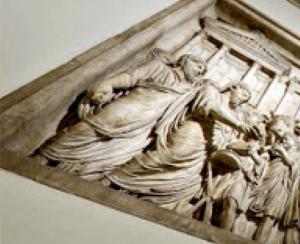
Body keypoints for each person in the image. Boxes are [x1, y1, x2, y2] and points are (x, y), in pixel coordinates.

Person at [35, 51, 207, 180]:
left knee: (119, 153)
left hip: (145, 127)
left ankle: (85, 172)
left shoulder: (188, 91)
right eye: (198, 64)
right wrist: (109, 84)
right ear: (184, 60)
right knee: (87, 128)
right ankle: (44, 155)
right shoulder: (160, 68)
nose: (200, 70)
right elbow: (130, 78)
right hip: (129, 108)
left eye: (202, 70)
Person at [106, 81, 261, 213]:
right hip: (195, 131)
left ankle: (148, 196)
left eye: (245, 100)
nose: (242, 101)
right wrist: (240, 125)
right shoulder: (211, 92)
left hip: (207, 150)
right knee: (171, 155)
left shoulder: (234, 115)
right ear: (233, 87)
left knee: (189, 179)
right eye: (243, 95)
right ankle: (115, 176)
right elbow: (208, 107)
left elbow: (228, 142)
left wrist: (246, 148)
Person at [206, 83, 268, 235]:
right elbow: (230, 145)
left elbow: (261, 164)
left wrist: (252, 154)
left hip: (241, 177)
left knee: (231, 203)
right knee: (210, 200)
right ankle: (205, 222)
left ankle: (224, 234)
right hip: (227, 172)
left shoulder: (262, 151)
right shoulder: (238, 137)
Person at [249, 115, 300, 244]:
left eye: (287, 139)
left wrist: (283, 152)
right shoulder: (275, 153)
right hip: (269, 179)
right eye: (283, 139)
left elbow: (294, 166)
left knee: (270, 215)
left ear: (295, 143)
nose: (283, 141)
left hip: (282, 186)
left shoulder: (299, 155)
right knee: (257, 208)